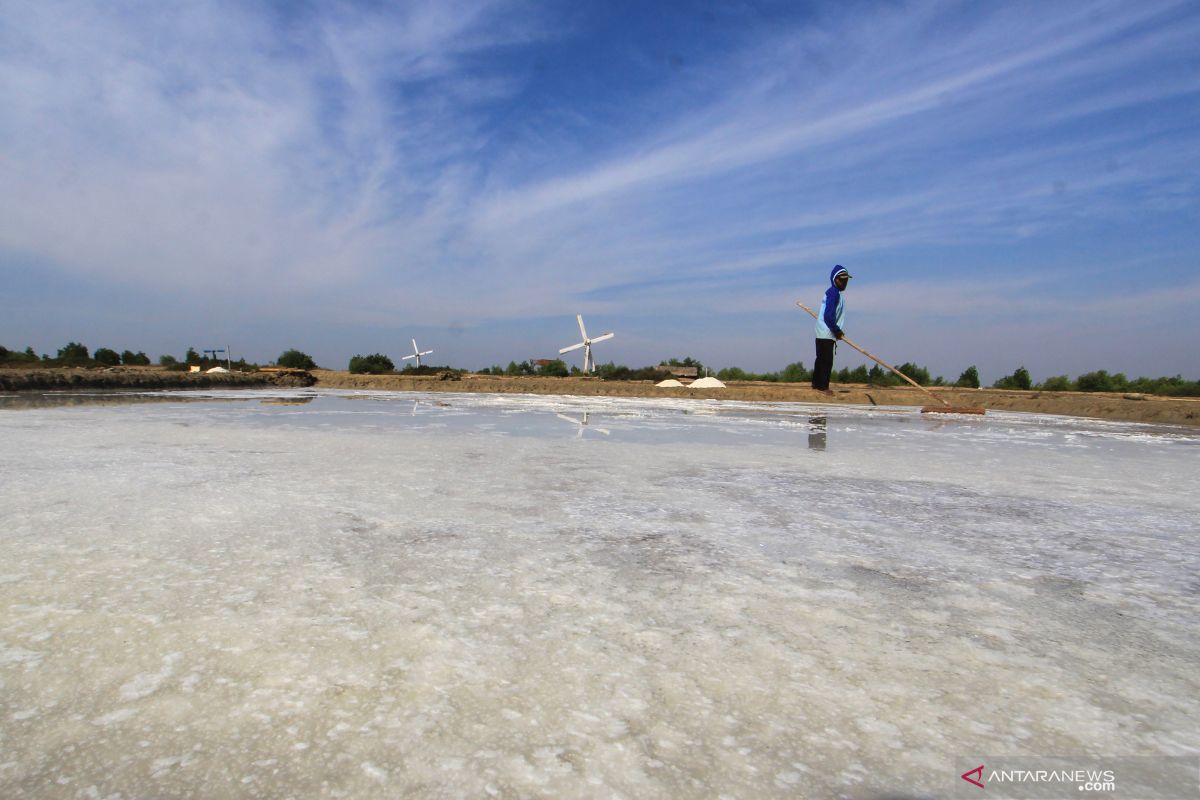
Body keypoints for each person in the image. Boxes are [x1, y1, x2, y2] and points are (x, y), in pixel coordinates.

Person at [812, 264, 852, 395]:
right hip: (826, 332)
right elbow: (828, 316)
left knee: (821, 359)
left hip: (823, 332)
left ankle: (816, 385)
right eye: (842, 280)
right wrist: (837, 331)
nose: (844, 283)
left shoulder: (834, 293)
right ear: (835, 279)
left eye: (846, 280)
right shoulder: (833, 293)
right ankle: (823, 387)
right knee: (826, 361)